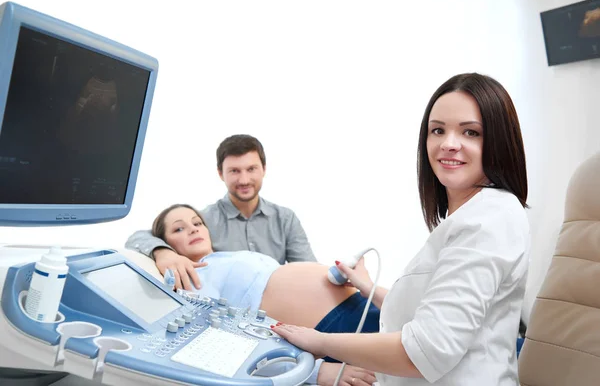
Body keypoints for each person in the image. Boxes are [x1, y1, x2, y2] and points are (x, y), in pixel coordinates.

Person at [271, 73, 530, 386]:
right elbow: (440, 307)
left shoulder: (488, 219)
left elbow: (427, 349)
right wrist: (369, 289)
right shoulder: (473, 215)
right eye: (438, 130)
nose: (448, 144)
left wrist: (320, 343)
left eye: (470, 132)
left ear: (498, 142)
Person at [151, 203, 379, 386]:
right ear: (166, 243)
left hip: (362, 303)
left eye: (197, 223)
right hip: (334, 329)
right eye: (179, 228)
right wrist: (314, 371)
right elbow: (217, 341)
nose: (192, 229)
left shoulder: (225, 257)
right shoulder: (192, 278)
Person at [126, 134, 316, 290]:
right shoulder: (203, 222)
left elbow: (310, 269)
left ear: (264, 169)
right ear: (220, 173)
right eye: (234, 171)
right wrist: (164, 253)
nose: (244, 180)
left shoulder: (285, 218)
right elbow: (139, 237)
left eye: (251, 169)